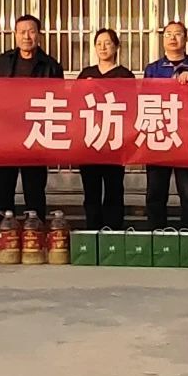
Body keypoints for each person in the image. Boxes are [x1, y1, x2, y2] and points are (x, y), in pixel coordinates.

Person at [0, 14, 64, 218]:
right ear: (15, 34)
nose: (26, 37)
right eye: (22, 32)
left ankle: (35, 229)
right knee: (3, 188)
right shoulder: (3, 61)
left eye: (31, 32)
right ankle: (3, 229)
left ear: (39, 35)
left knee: (34, 189)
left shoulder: (51, 65)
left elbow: (59, 100)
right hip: (6, 133)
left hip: (35, 133)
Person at [143, 20, 188, 230]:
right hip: (159, 136)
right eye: (168, 34)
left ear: (186, 38)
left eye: (178, 34)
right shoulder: (153, 69)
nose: (173, 38)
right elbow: (144, 99)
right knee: (155, 193)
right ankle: (156, 236)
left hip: (187, 137)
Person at [76, 29, 135, 230]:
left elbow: (131, 106)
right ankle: (93, 231)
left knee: (114, 190)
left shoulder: (125, 75)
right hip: (90, 141)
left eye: (107, 43)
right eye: (98, 43)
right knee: (91, 191)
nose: (102, 47)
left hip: (114, 141)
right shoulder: (86, 75)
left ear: (116, 47)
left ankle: (113, 232)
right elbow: (75, 104)